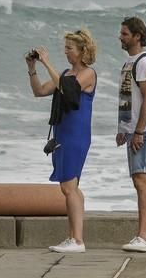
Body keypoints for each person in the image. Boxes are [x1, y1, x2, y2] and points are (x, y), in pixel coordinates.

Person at [26, 29, 97, 253]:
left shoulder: (88, 74)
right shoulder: (65, 73)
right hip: (62, 134)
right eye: (65, 48)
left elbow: (68, 90)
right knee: (71, 187)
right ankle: (75, 237)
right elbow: (39, 91)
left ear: (82, 51)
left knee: (68, 187)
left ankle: (77, 241)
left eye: (69, 48)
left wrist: (47, 63)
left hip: (76, 135)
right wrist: (32, 68)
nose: (66, 52)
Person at [116, 16, 146, 253]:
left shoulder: (145, 63)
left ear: (137, 36)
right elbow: (128, 98)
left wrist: (138, 131)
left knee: (141, 180)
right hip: (134, 129)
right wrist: (123, 129)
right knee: (144, 182)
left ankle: (142, 237)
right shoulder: (129, 62)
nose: (120, 37)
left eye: (125, 34)